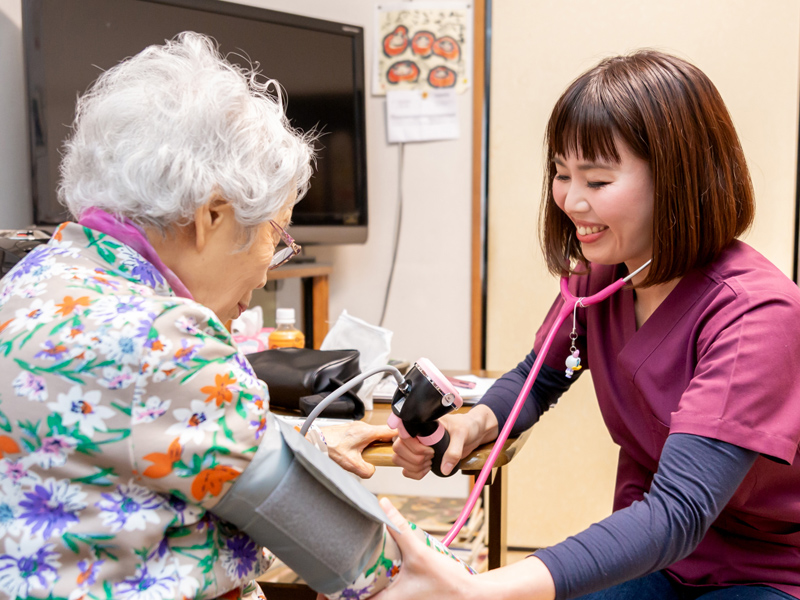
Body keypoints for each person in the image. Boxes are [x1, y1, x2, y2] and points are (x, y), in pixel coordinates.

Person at [0, 32, 453, 600]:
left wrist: (294, 455)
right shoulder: (165, 339)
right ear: (212, 216)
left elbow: (123, 457)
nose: (268, 270)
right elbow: (364, 558)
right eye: (274, 233)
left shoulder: (28, 282)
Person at [387, 49, 800, 600]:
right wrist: (475, 423)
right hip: (656, 556)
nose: (571, 200)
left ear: (679, 179)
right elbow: (542, 373)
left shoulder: (755, 315)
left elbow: (679, 510)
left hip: (769, 568)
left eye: (598, 180)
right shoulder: (601, 279)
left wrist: (478, 589)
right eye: (561, 174)